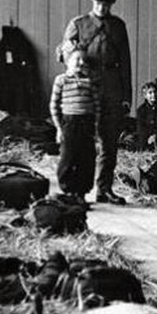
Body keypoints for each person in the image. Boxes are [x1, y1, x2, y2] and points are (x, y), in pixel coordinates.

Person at [62, 0, 132, 205]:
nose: (102, 6)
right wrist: (74, 54)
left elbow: (126, 62)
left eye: (107, 3)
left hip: (112, 89)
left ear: (112, 3)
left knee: (109, 142)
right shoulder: (78, 24)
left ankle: (104, 189)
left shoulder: (118, 26)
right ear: (93, 0)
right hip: (85, 90)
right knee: (83, 142)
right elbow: (65, 54)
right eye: (99, 2)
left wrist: (126, 96)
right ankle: (78, 190)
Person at [50, 46, 101, 205]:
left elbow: (97, 106)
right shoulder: (61, 80)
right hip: (69, 123)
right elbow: (54, 105)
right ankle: (68, 190)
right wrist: (59, 127)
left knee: (86, 159)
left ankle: (81, 193)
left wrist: (96, 127)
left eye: (83, 60)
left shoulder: (90, 81)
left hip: (87, 123)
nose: (80, 62)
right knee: (68, 157)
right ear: (68, 61)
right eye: (76, 59)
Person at [135, 81, 157, 150]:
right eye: (150, 93)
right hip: (146, 137)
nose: (153, 95)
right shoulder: (141, 110)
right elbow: (141, 127)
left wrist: (156, 135)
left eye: (154, 92)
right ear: (145, 96)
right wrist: (148, 136)